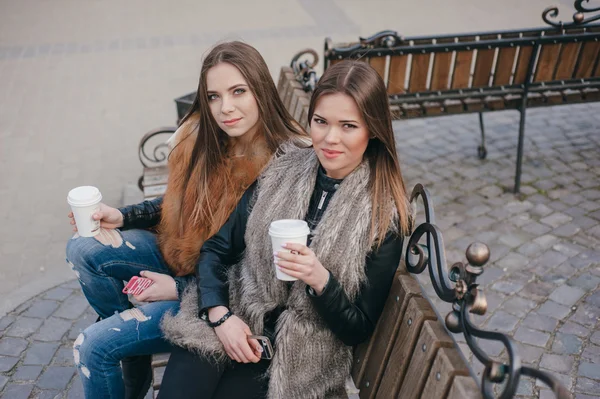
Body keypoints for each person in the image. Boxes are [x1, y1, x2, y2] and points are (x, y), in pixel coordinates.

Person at [65, 41, 307, 399]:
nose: (225, 108)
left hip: (215, 297)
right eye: (213, 96)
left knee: (92, 346)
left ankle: (124, 347)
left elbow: (257, 282)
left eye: (238, 91)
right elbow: (181, 199)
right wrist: (124, 215)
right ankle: (134, 356)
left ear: (261, 90)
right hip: (181, 254)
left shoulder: (284, 165)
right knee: (83, 246)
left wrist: (178, 289)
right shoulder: (209, 137)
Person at [158, 60, 412, 399]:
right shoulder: (283, 168)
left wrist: (321, 280)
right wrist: (221, 317)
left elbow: (357, 328)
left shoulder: (383, 216)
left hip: (293, 360)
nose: (330, 138)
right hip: (235, 314)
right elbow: (216, 249)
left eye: (348, 126)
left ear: (373, 129)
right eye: (320, 122)